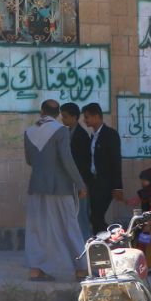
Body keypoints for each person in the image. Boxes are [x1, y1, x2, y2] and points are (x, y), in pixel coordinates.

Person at [23, 100, 86, 282]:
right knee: (69, 226)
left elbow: (29, 160)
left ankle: (35, 271)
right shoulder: (61, 130)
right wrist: (80, 183)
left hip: (37, 186)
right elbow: (67, 160)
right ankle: (81, 269)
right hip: (60, 187)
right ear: (58, 113)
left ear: (41, 111)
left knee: (36, 229)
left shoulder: (29, 131)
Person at [81, 102, 122, 234]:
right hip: (94, 183)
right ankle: (100, 242)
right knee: (94, 217)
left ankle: (115, 237)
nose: (85, 120)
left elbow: (115, 161)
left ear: (96, 116)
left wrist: (118, 187)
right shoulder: (93, 136)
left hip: (106, 184)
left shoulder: (110, 135)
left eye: (87, 117)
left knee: (96, 217)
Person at [61, 102, 94, 238]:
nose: (63, 120)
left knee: (81, 217)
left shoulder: (81, 136)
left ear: (74, 117)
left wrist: (82, 185)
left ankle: (85, 243)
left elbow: (83, 164)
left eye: (65, 116)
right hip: (71, 182)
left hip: (80, 183)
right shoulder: (67, 133)